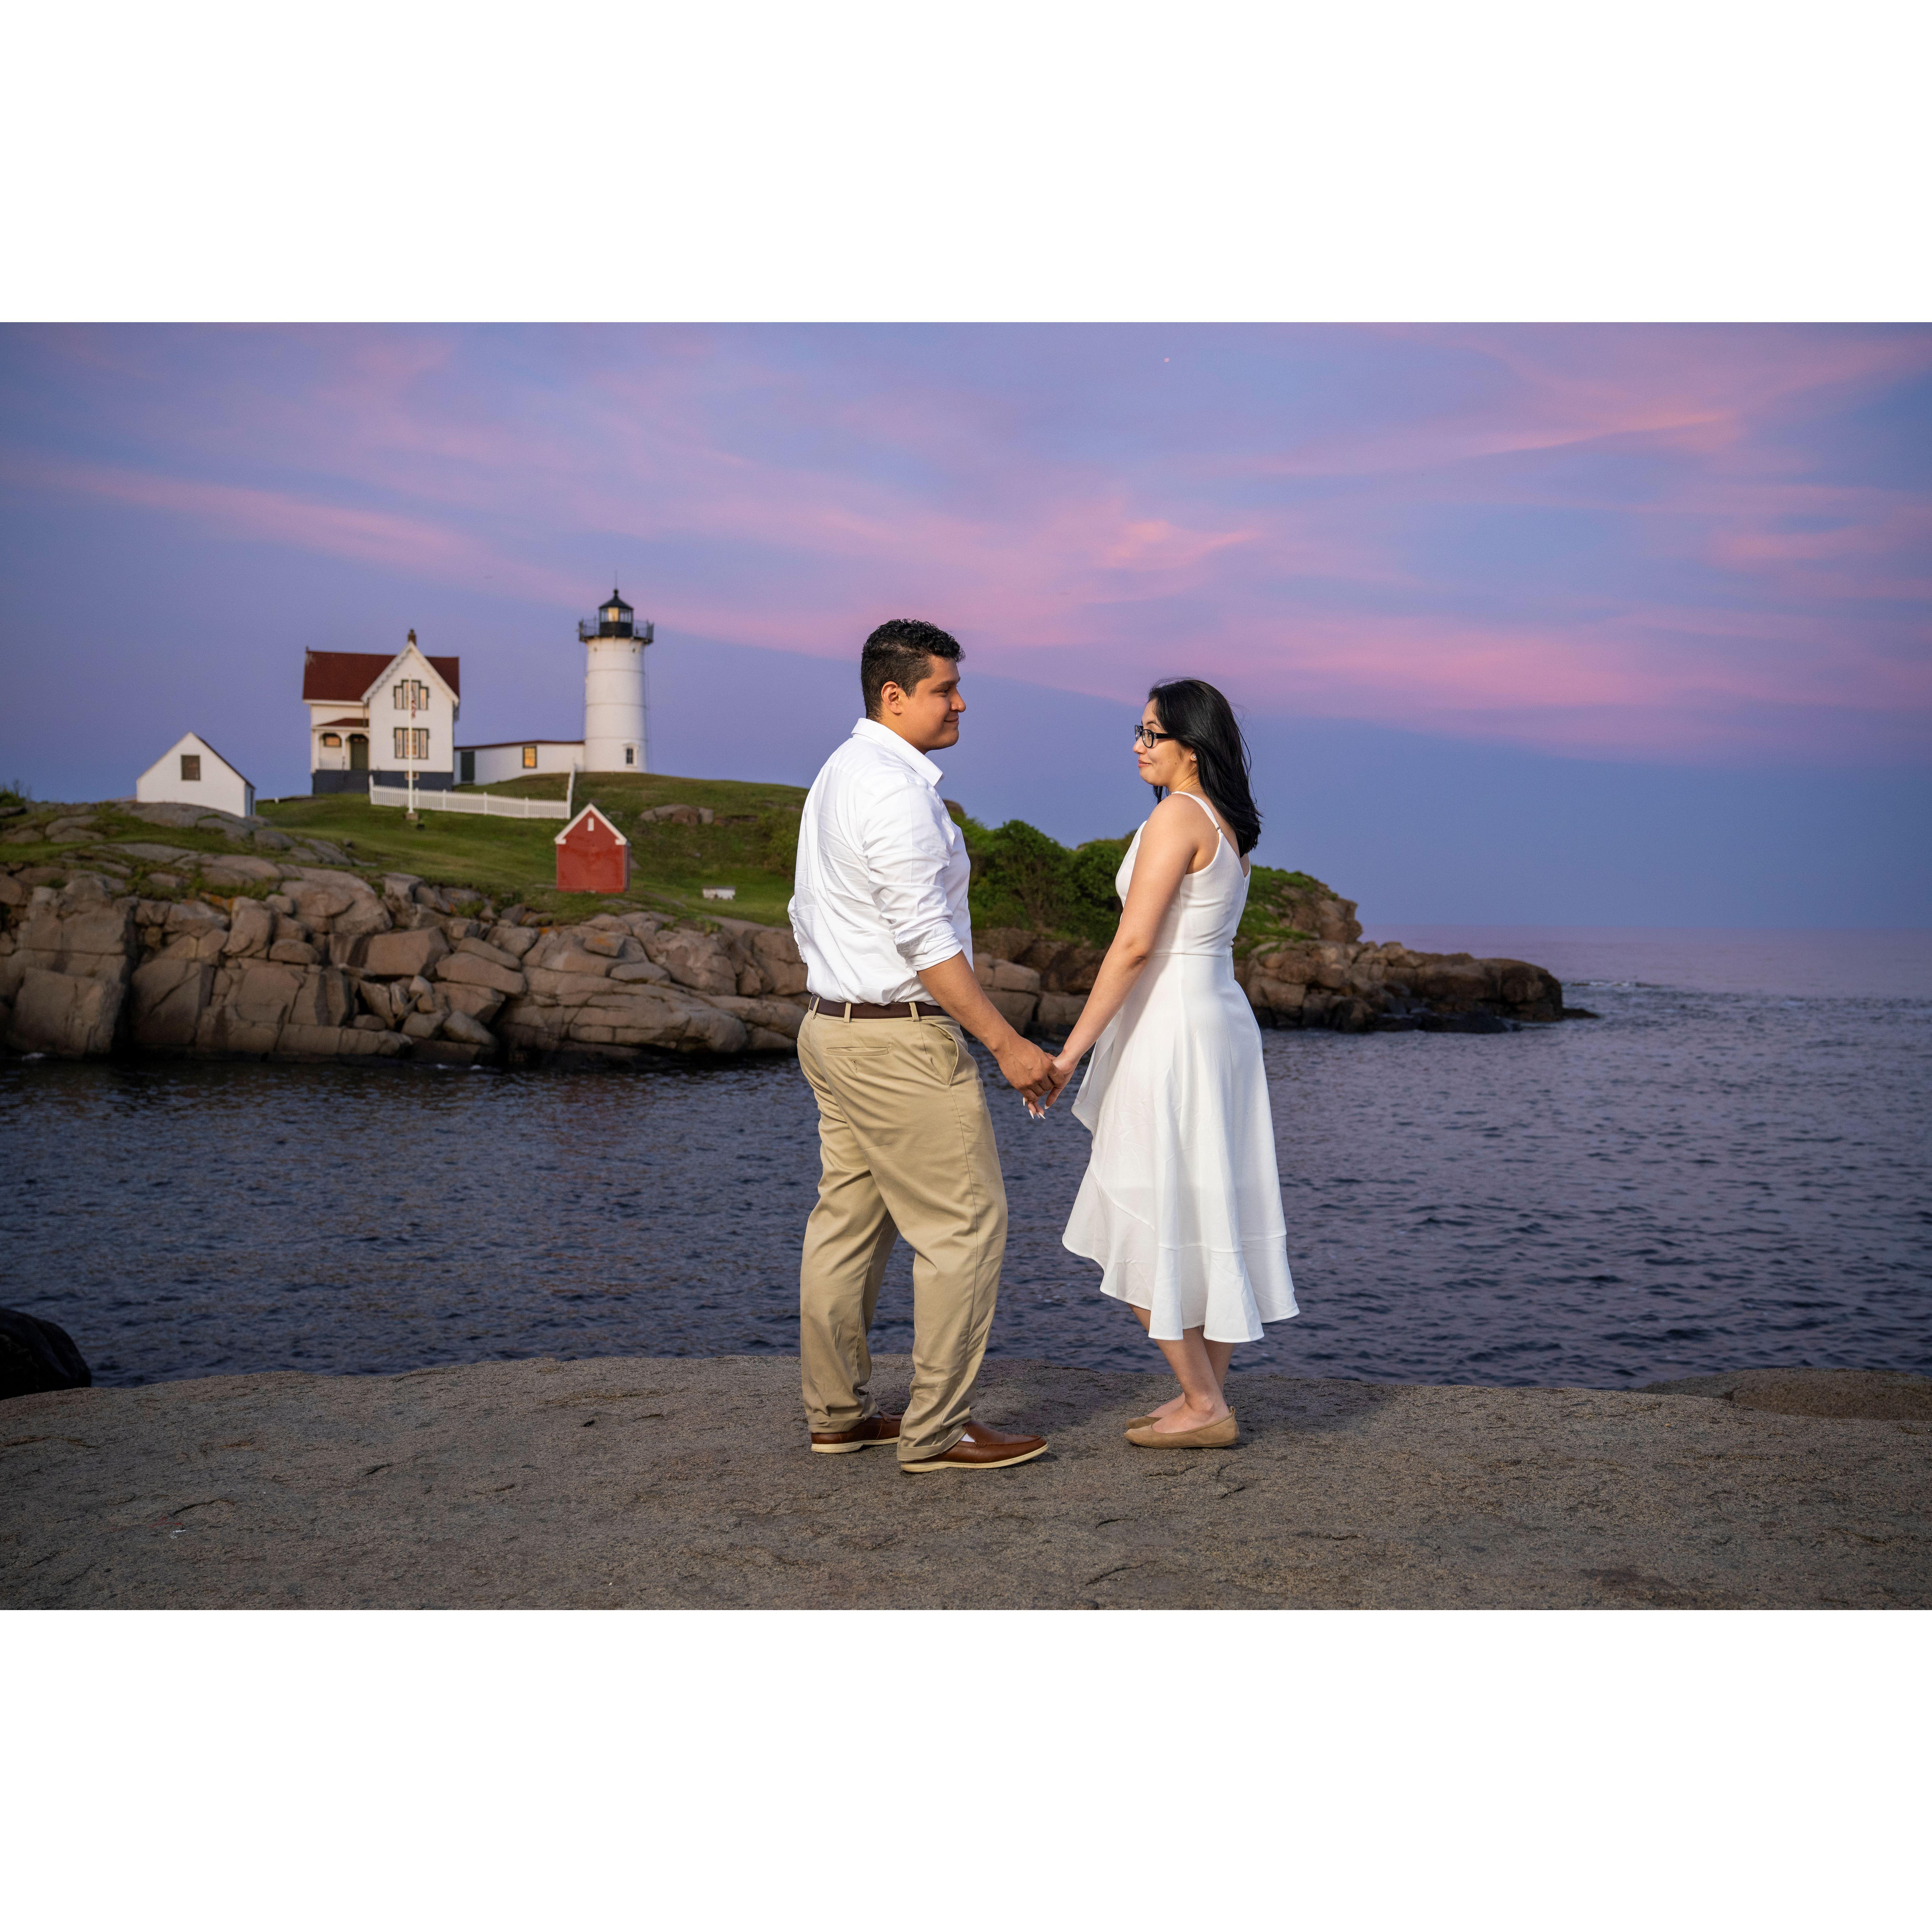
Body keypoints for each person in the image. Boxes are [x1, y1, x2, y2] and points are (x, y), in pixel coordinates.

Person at [788, 618, 1056, 1473]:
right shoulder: (896, 791)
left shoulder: (839, 772)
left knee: (848, 1225)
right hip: (897, 1043)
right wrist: (1006, 1044)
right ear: (894, 695)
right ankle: (937, 1432)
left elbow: (806, 909)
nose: (960, 703)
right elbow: (926, 940)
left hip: (832, 1028)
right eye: (945, 689)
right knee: (965, 1227)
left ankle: (837, 1416)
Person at [1044, 678, 1298, 1447]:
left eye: (1152, 733)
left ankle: (1203, 1404)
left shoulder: (1177, 818)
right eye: (1139, 731)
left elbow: (1133, 946)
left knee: (1137, 1195)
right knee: (1206, 1202)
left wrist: (1069, 1053)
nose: (1138, 746)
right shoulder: (1226, 825)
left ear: (1193, 744)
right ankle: (1205, 1395)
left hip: (1173, 1027)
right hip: (1218, 1021)